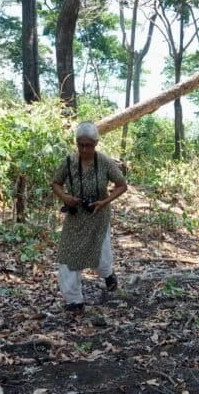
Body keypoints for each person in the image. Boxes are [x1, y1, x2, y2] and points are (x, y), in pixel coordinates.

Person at [51, 121, 127, 314]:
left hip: (98, 215)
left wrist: (104, 201)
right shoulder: (69, 162)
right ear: (77, 144)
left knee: (101, 254)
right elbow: (56, 183)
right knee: (68, 256)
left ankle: (109, 276)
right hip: (75, 216)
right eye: (81, 145)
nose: (85, 149)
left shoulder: (104, 162)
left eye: (89, 145)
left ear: (96, 144)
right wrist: (65, 198)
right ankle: (74, 301)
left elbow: (121, 185)